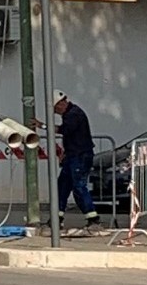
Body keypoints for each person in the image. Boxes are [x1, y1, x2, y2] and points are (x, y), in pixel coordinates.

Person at [52, 91, 101, 229]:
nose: (56, 112)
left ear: (61, 103)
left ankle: (93, 219)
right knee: (63, 186)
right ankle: (57, 218)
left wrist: (43, 126)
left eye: (56, 109)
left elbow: (66, 130)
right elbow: (71, 137)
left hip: (80, 156)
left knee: (79, 187)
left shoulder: (74, 114)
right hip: (73, 155)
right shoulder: (71, 113)